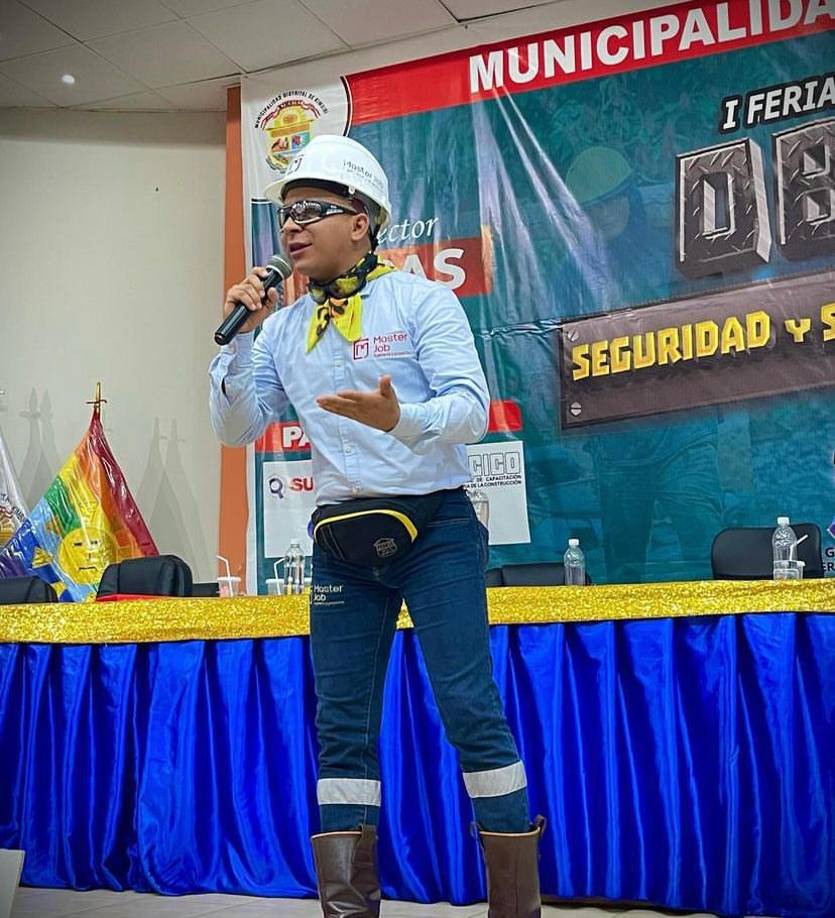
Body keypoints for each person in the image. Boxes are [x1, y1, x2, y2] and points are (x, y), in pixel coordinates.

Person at [209, 134, 545, 917]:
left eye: (312, 212)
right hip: (340, 545)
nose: (291, 228)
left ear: (360, 221)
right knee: (342, 727)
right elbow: (235, 429)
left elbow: (468, 409)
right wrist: (236, 338)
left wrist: (401, 420)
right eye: (285, 215)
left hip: (437, 533)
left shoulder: (419, 300)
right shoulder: (285, 328)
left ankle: (514, 908)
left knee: (467, 705)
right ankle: (347, 908)